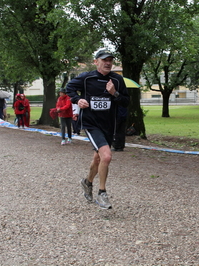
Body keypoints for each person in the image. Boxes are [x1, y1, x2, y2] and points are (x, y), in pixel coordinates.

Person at [66, 49, 129, 210]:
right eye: (104, 60)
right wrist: (78, 100)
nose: (108, 63)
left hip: (108, 125)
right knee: (106, 156)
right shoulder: (87, 78)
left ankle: (87, 182)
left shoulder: (117, 80)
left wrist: (114, 93)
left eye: (110, 60)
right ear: (96, 62)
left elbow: (126, 101)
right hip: (91, 123)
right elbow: (69, 88)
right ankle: (102, 193)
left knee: (98, 159)